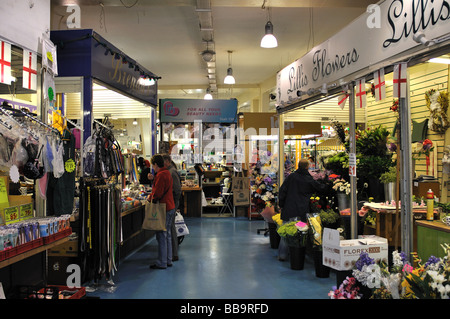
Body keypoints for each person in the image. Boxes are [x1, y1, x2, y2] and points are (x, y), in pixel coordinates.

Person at [277, 158, 328, 260]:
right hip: (301, 210)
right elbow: (320, 188)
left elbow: (282, 191)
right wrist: (328, 182)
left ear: (298, 165)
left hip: (289, 209)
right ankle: (298, 256)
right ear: (307, 167)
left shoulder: (291, 177)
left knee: (286, 233)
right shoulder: (308, 179)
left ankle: (282, 255)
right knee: (301, 233)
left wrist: (281, 205)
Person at [147, 154, 176, 269]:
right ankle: (168, 259)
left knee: (161, 236)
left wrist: (150, 199)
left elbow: (158, 193)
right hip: (170, 206)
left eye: (153, 165)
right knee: (167, 234)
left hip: (163, 207)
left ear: (155, 164)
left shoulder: (161, 175)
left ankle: (162, 262)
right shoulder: (167, 173)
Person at [162, 154, 182, 261]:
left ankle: (174, 253)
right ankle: (172, 252)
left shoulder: (172, 172)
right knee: (170, 227)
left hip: (172, 203)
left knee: (171, 228)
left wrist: (174, 203)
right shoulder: (169, 171)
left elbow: (177, 190)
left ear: (167, 161)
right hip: (172, 203)